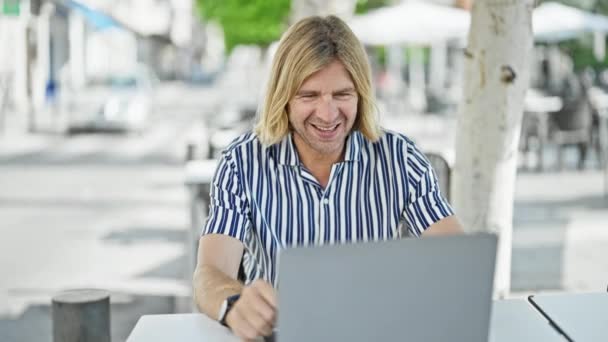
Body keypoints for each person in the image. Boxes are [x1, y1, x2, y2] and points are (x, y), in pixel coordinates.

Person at [193, 15, 464, 341]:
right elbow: (210, 273)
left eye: (342, 94)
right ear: (284, 98)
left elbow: (456, 263)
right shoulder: (242, 162)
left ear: (361, 94)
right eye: (309, 96)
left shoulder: (400, 160)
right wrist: (235, 305)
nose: (327, 114)